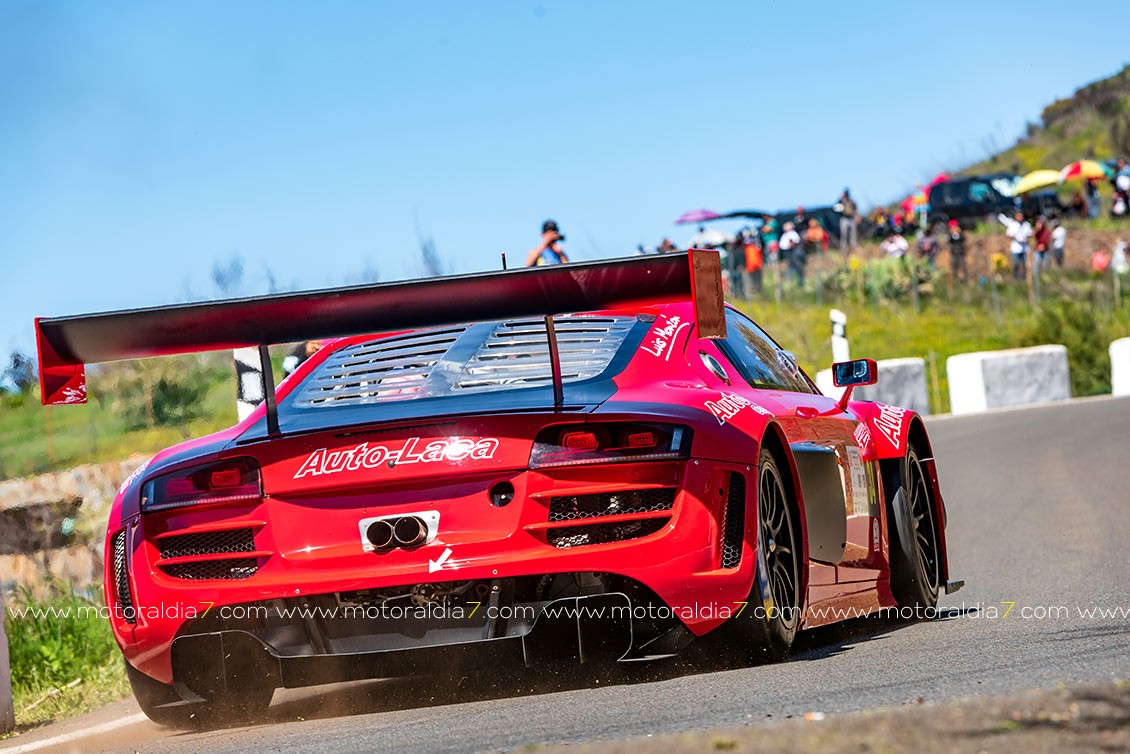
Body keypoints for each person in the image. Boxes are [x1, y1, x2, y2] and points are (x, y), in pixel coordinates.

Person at [998, 211, 1032, 280]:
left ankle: (1023, 278)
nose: (1020, 218)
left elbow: (1030, 234)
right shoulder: (1013, 225)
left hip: (1024, 248)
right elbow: (1008, 235)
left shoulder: (1026, 225)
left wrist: (1026, 239)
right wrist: (1016, 238)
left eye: (1021, 216)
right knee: (1016, 263)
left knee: (1023, 263)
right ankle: (1015, 277)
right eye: (1018, 216)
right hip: (1016, 248)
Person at [778, 221, 804, 286]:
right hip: (787, 251)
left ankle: (799, 279)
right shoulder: (786, 234)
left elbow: (792, 242)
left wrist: (791, 246)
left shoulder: (791, 233)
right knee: (791, 264)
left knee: (795, 264)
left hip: (791, 251)